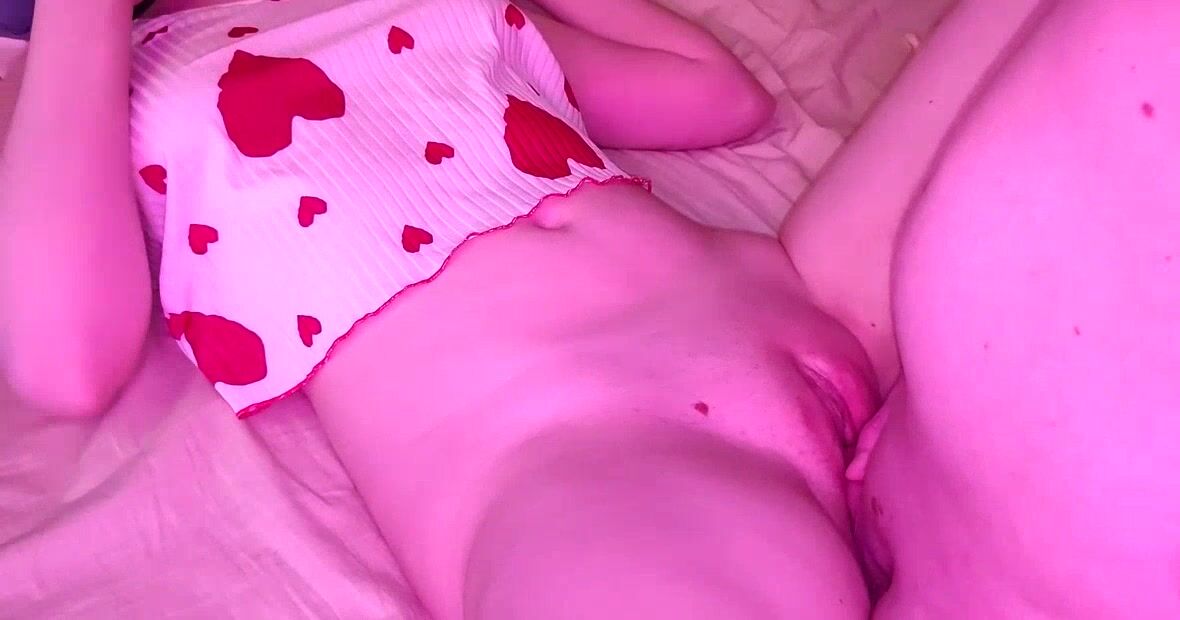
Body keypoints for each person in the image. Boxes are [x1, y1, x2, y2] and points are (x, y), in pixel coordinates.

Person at [2, 1, 1177, 619]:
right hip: (574, 439)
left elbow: (712, 96)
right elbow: (63, 361)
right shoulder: (129, 76)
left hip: (790, 293)